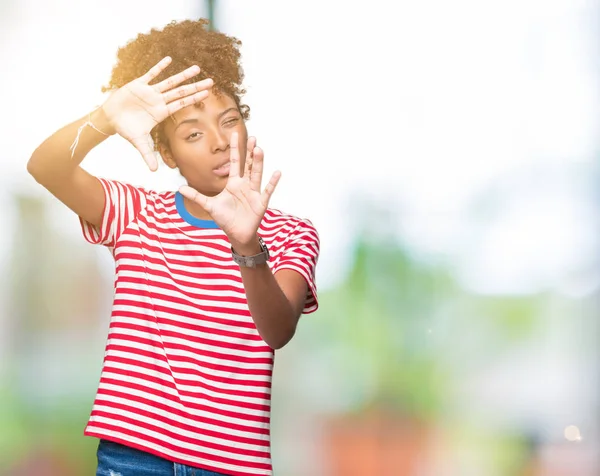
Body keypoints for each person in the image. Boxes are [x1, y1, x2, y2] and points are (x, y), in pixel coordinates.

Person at [27, 18, 319, 476]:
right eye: (193, 134)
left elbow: (278, 329)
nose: (221, 143)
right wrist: (104, 119)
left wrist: (247, 244)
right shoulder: (135, 214)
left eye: (229, 121)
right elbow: (45, 166)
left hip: (231, 467)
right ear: (167, 154)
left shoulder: (290, 234)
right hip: (133, 458)